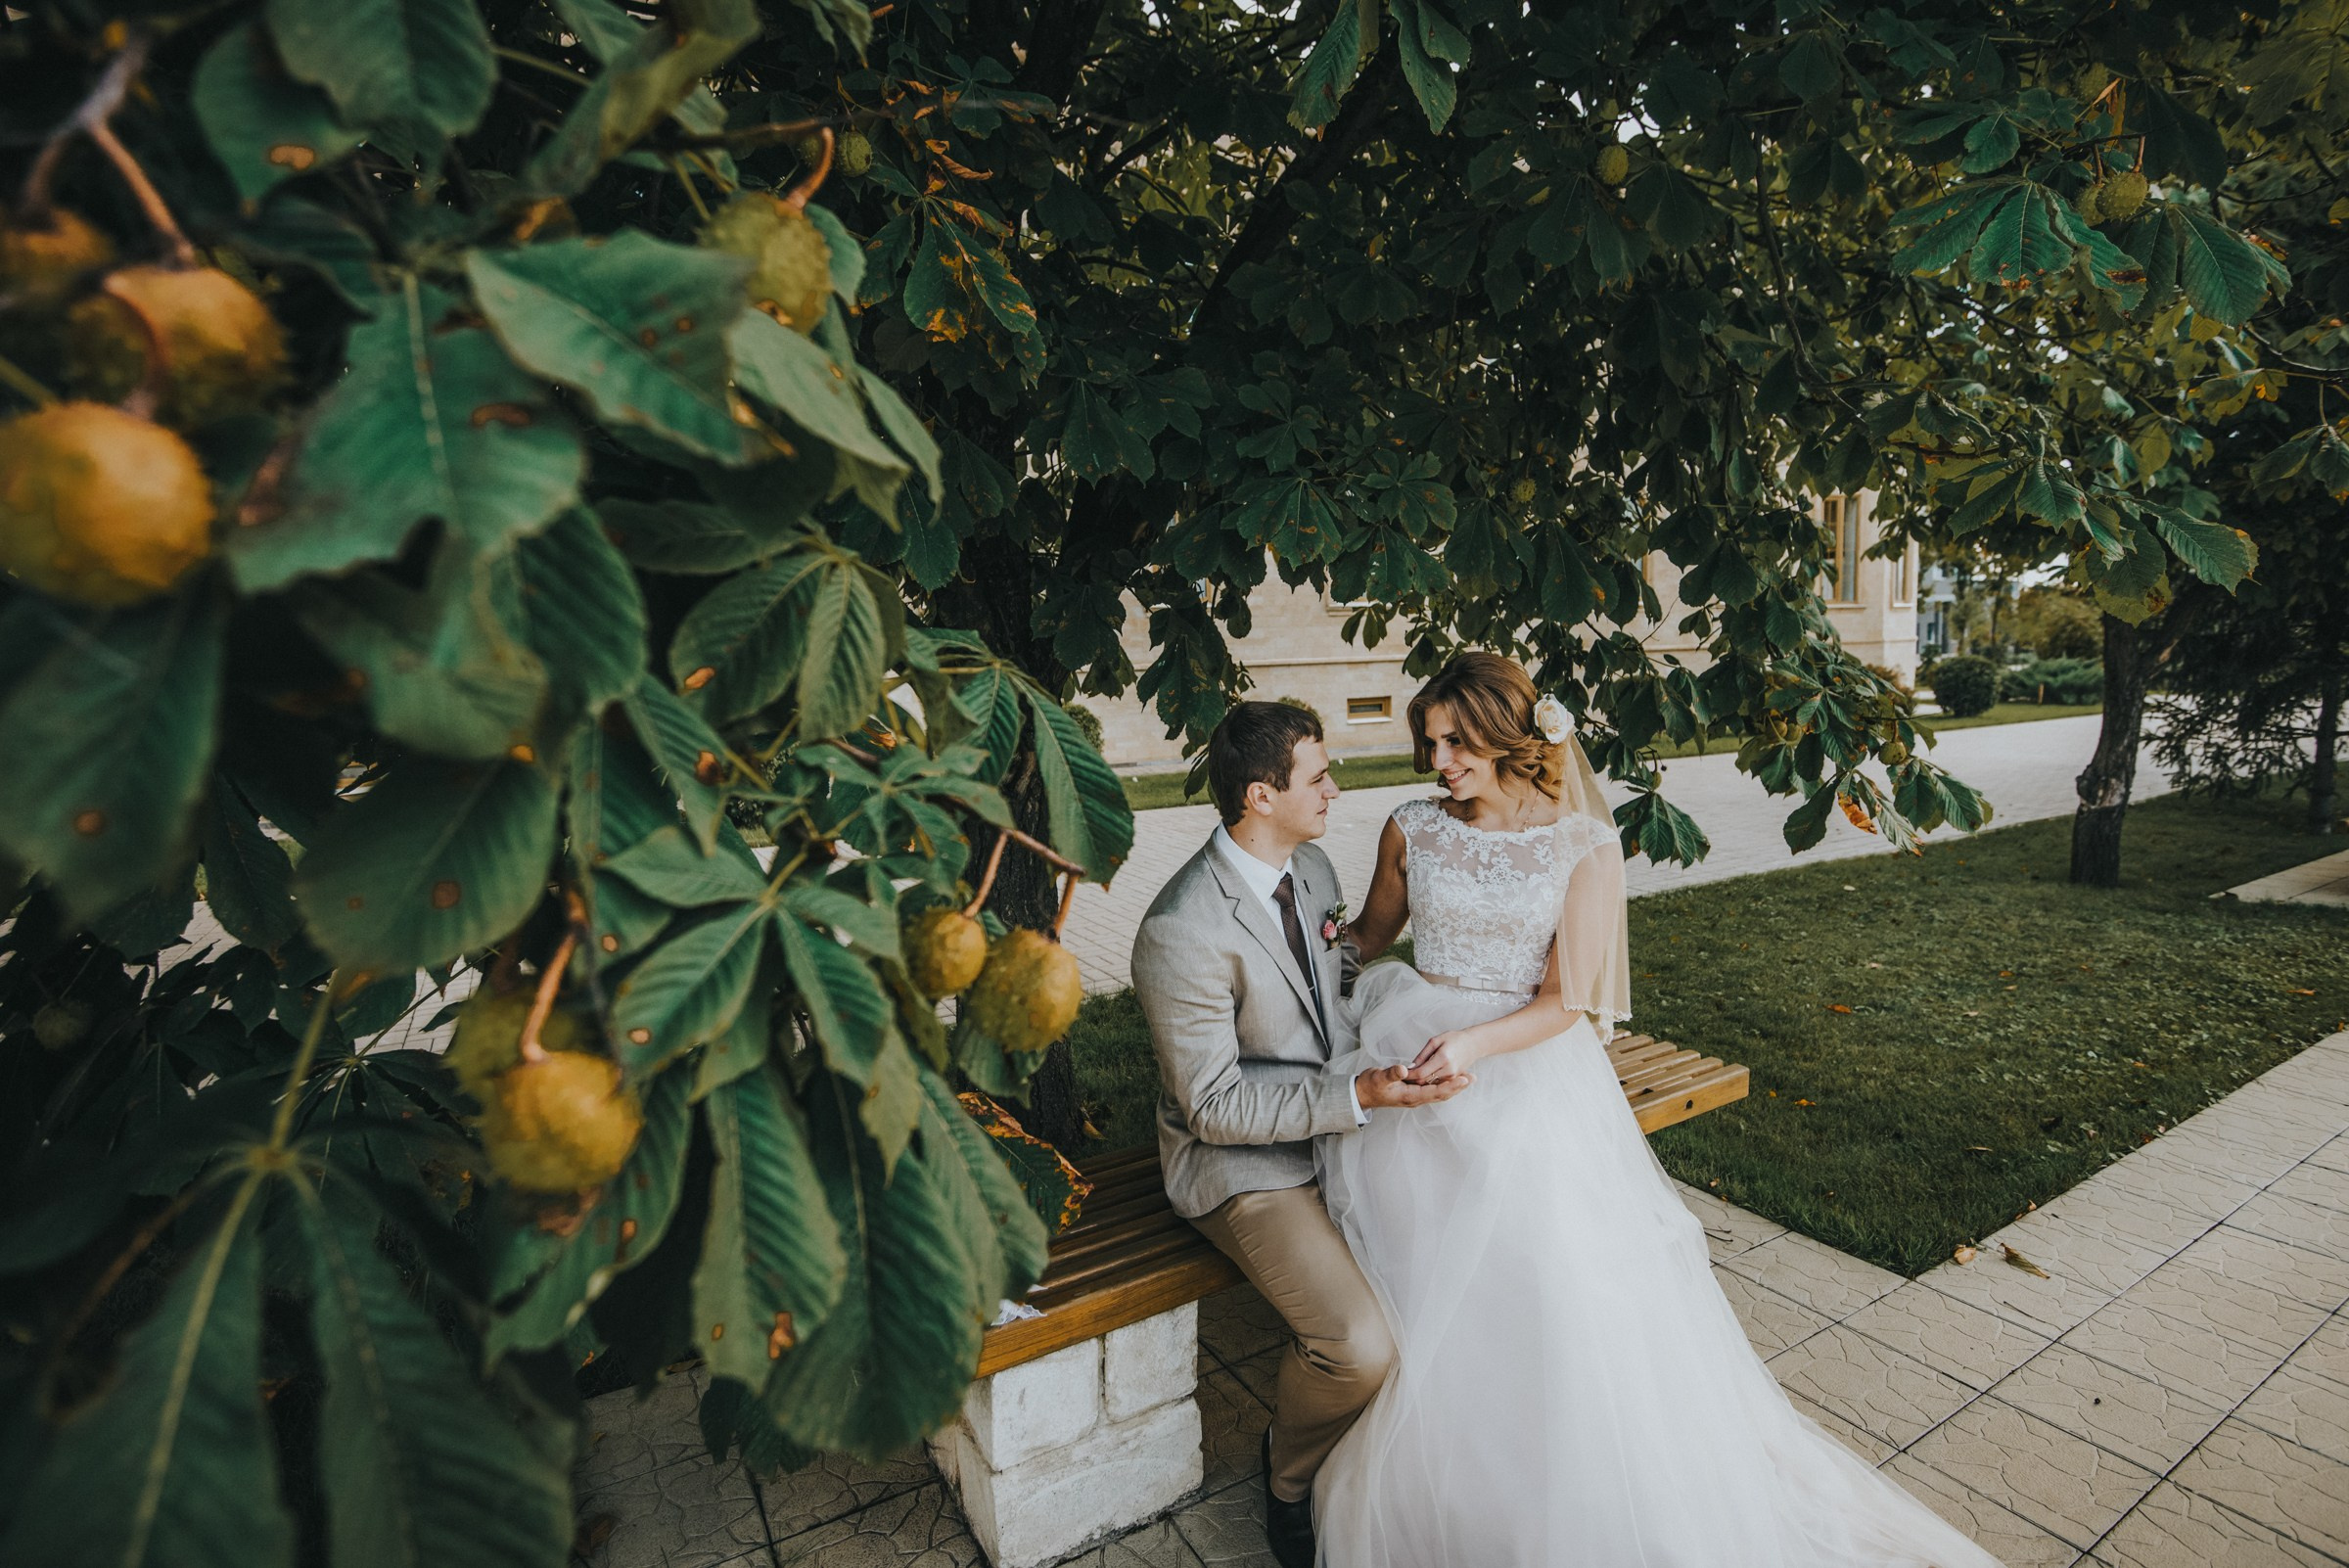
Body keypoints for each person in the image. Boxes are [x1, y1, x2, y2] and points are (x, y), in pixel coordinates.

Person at [1313, 651, 2003, 1568]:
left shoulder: (1581, 845)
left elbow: (1567, 1002)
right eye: (1431, 743)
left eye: (1457, 743)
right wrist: (1313, 942)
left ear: (1508, 736)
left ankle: (1537, 1484)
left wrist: (1473, 1045)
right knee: (1423, 1279)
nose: (1438, 761)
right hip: (1408, 1052)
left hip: (1517, 1071)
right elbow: (1370, 935)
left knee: (1543, 1274)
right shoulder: (1411, 827)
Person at [1129, 700, 1471, 1568]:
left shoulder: (1310, 867)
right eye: (1318, 777)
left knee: (1470, 1250)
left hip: (1336, 1112)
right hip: (1244, 1163)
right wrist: (1357, 1095)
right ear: (1259, 795)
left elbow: (1333, 965)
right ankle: (1288, 1476)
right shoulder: (1180, 931)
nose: (1335, 790)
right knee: (1358, 1348)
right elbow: (1213, 1108)